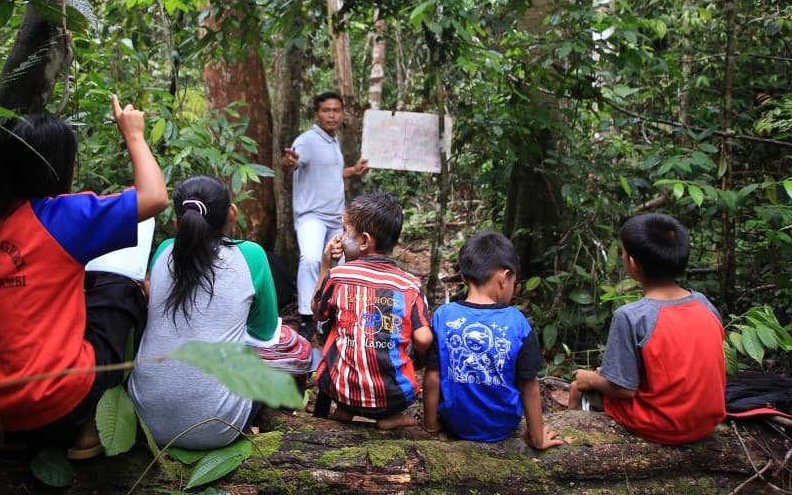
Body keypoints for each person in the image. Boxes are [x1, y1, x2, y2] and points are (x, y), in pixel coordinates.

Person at [0, 98, 168, 459]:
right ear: (56, 168)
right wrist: (134, 136)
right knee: (119, 289)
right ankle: (87, 431)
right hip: (57, 408)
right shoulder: (61, 217)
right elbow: (155, 197)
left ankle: (13, 437)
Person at [128, 176, 312, 450]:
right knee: (285, 347)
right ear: (232, 214)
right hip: (216, 428)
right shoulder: (252, 256)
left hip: (144, 419)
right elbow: (264, 330)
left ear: (179, 223)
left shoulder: (164, 251)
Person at [567, 213, 727, 444]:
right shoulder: (703, 304)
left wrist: (590, 379)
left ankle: (572, 444)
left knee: (577, 388)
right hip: (706, 421)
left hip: (663, 425)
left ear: (632, 263)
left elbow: (624, 390)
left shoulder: (632, 316)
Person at [422, 231, 564, 449]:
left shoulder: (443, 316)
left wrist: (431, 426)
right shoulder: (517, 323)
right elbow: (529, 385)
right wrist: (537, 438)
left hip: (454, 424)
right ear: (503, 277)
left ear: (464, 277)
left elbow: (432, 376)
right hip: (502, 427)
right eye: (514, 281)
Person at [311, 190, 431, 429]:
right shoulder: (409, 285)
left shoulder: (339, 276)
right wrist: (418, 360)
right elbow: (424, 338)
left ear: (364, 241)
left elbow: (317, 310)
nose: (341, 238)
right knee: (396, 372)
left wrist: (326, 264)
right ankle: (389, 417)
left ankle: (344, 410)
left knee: (335, 337)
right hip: (394, 396)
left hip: (341, 389)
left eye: (346, 231)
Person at [282, 91, 370, 337]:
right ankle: (307, 317)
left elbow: (330, 173)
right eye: (326, 110)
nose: (332, 115)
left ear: (342, 114)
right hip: (312, 215)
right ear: (316, 114)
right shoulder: (307, 141)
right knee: (311, 259)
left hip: (335, 217)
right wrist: (288, 163)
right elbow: (293, 163)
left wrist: (352, 171)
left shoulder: (333, 141)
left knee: (340, 264)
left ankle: (333, 313)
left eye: (336, 110)